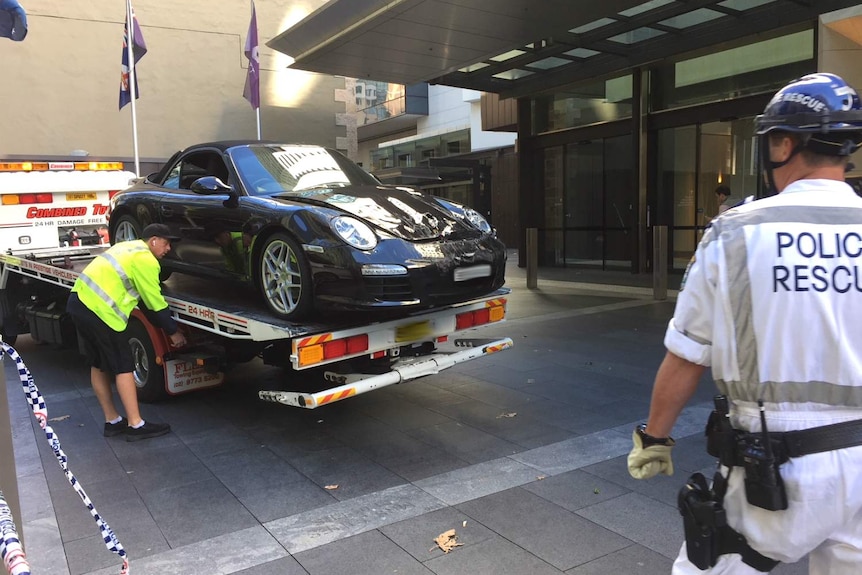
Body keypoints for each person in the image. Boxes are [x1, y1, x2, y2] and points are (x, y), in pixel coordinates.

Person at [627, 72, 862, 574]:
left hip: (778, 469)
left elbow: (687, 353)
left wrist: (655, 438)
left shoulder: (736, 233)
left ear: (782, 144)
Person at [66, 223, 186, 441]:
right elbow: (154, 303)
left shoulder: (128, 247)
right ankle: (135, 424)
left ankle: (112, 421)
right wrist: (173, 331)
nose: (169, 249)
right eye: (167, 243)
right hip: (101, 312)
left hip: (79, 302)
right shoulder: (146, 260)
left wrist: (162, 325)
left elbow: (143, 302)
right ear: (154, 241)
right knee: (124, 365)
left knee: (99, 364)